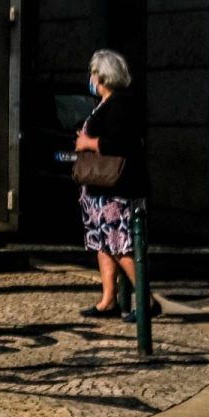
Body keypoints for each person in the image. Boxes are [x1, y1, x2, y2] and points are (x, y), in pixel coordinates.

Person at [74, 48, 157, 322]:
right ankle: (108, 299)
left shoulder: (120, 103)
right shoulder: (106, 103)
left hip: (117, 190)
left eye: (94, 73)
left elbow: (123, 144)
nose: (91, 78)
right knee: (103, 243)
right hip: (100, 190)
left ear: (103, 76)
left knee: (120, 245)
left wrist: (89, 143)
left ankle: (147, 299)